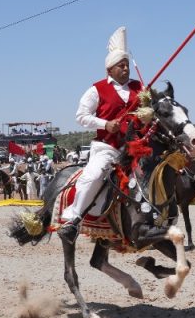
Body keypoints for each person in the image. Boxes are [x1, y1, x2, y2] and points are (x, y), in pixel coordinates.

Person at [58, 27, 143, 236]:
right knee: (93, 175)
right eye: (120, 66)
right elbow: (81, 116)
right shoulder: (96, 89)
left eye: (126, 65)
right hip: (108, 147)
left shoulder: (140, 87)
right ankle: (74, 216)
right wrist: (105, 124)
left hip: (136, 148)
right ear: (109, 70)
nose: (125, 69)